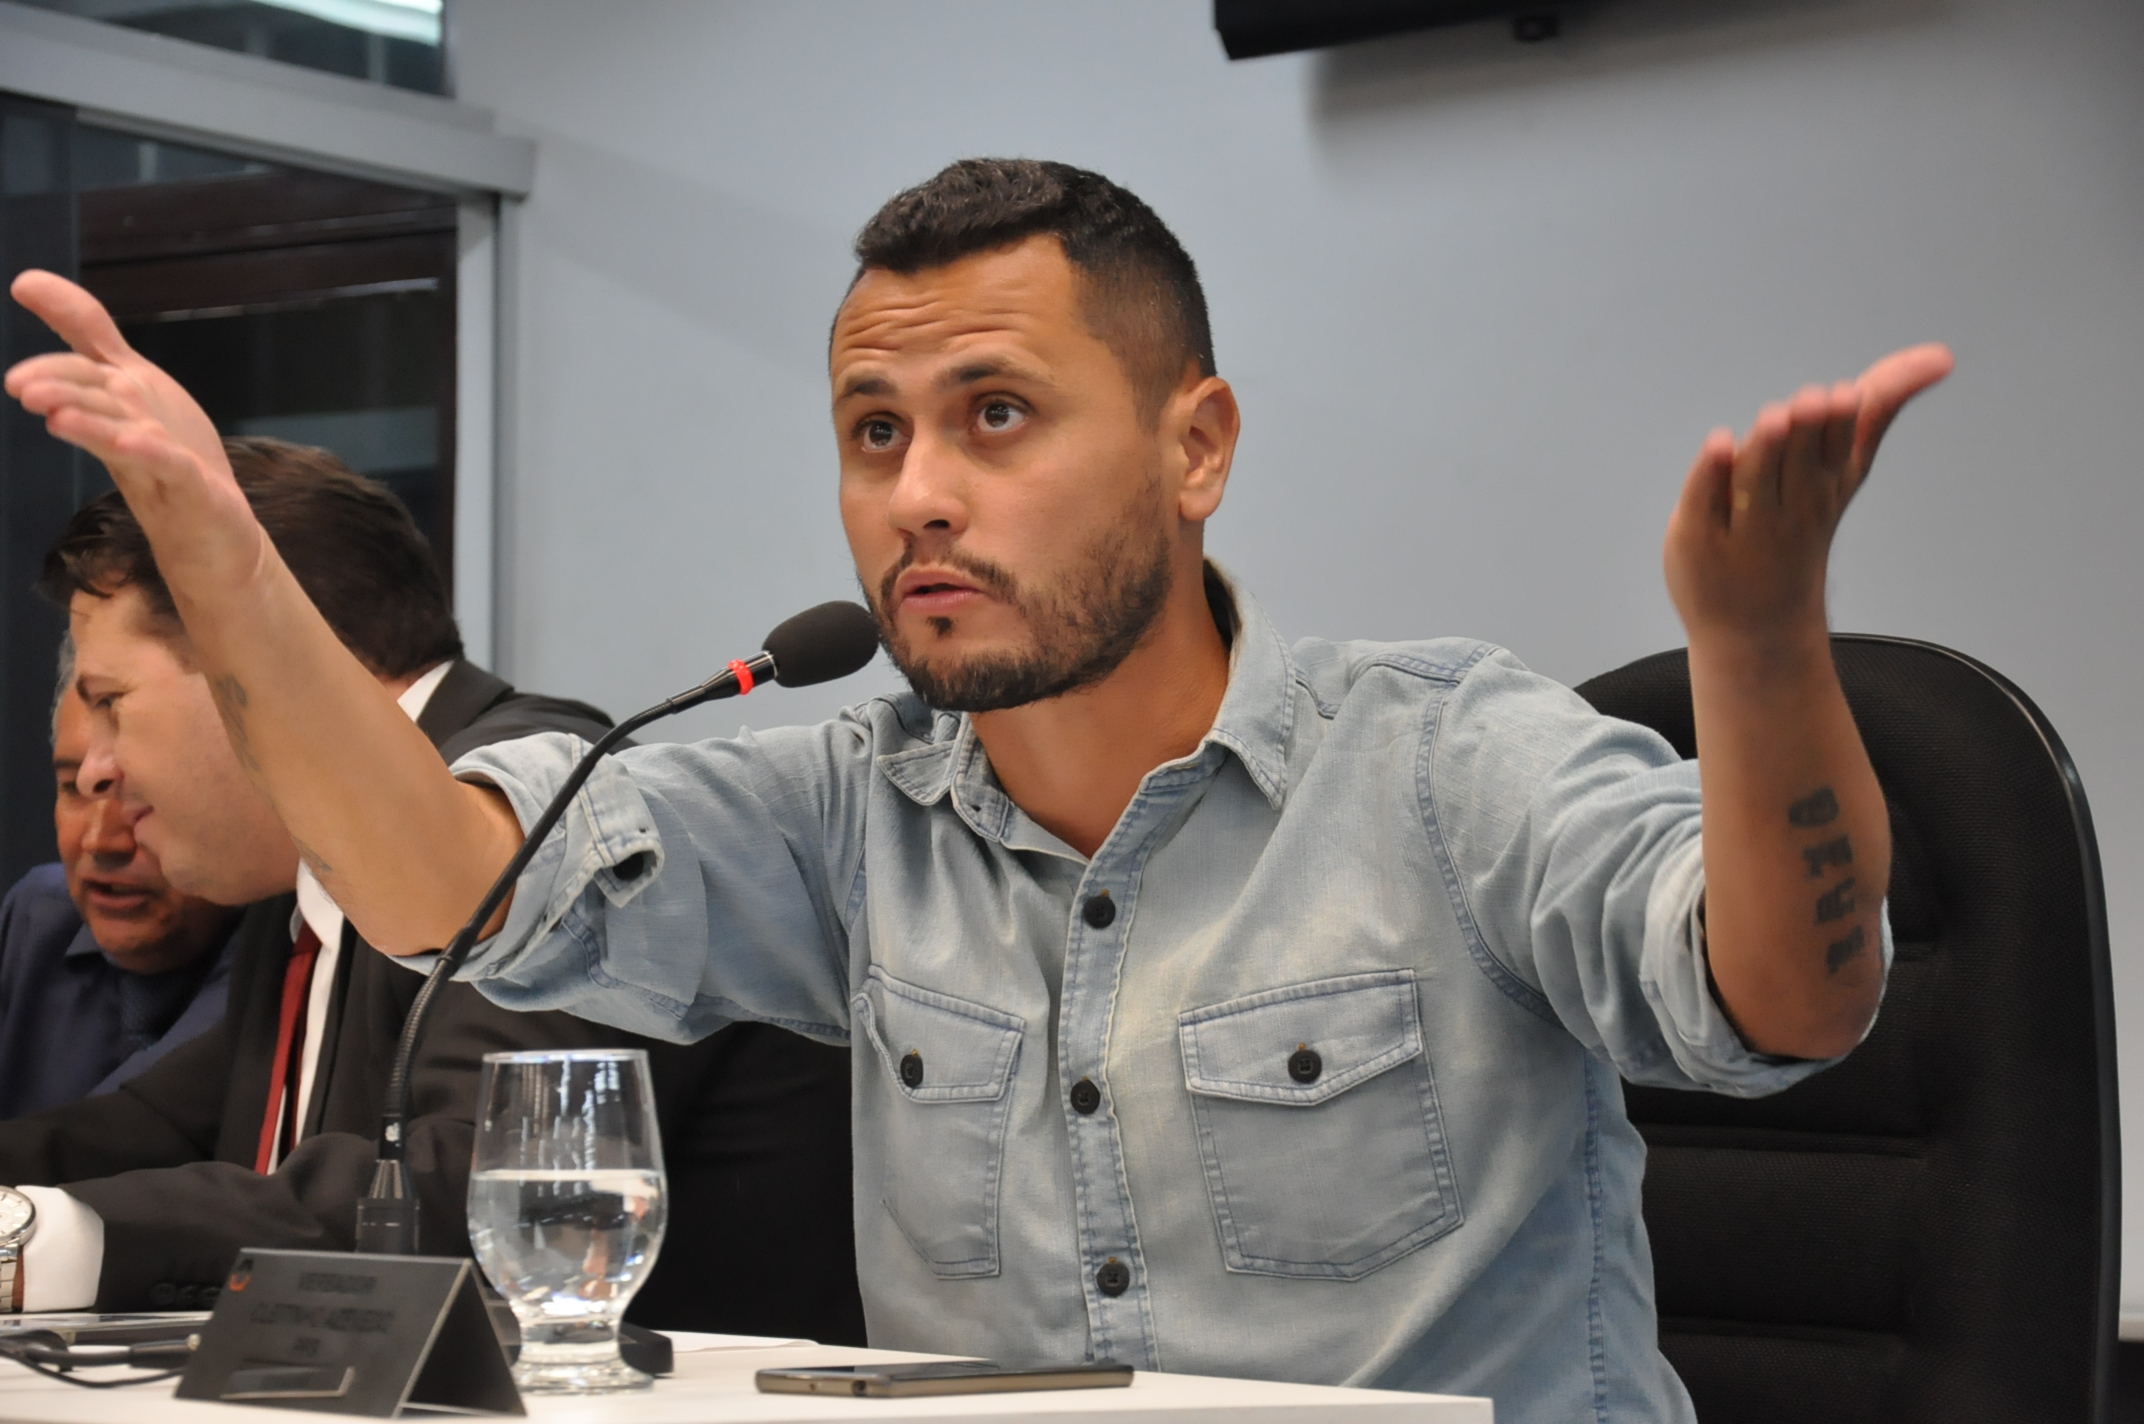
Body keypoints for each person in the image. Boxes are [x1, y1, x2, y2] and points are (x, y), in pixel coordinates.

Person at [3, 158, 1951, 1420]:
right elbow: (446, 881)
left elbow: (1790, 999)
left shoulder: (1441, 759)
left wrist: (1755, 641)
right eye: (873, 431)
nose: (917, 493)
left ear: (1195, 448)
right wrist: (220, 560)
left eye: (993, 415)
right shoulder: (846, 812)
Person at [0, 440, 862, 1343]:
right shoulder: (298, 864)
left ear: (258, 661)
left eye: (111, 702)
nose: (98, 770)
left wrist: (52, 1242)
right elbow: (161, 1127)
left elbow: (480, 1192)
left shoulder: (513, 809)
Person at [0, 644, 237, 1118]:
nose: (101, 841)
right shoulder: (36, 916)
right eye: (76, 788)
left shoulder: (291, 960)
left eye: (145, 791)